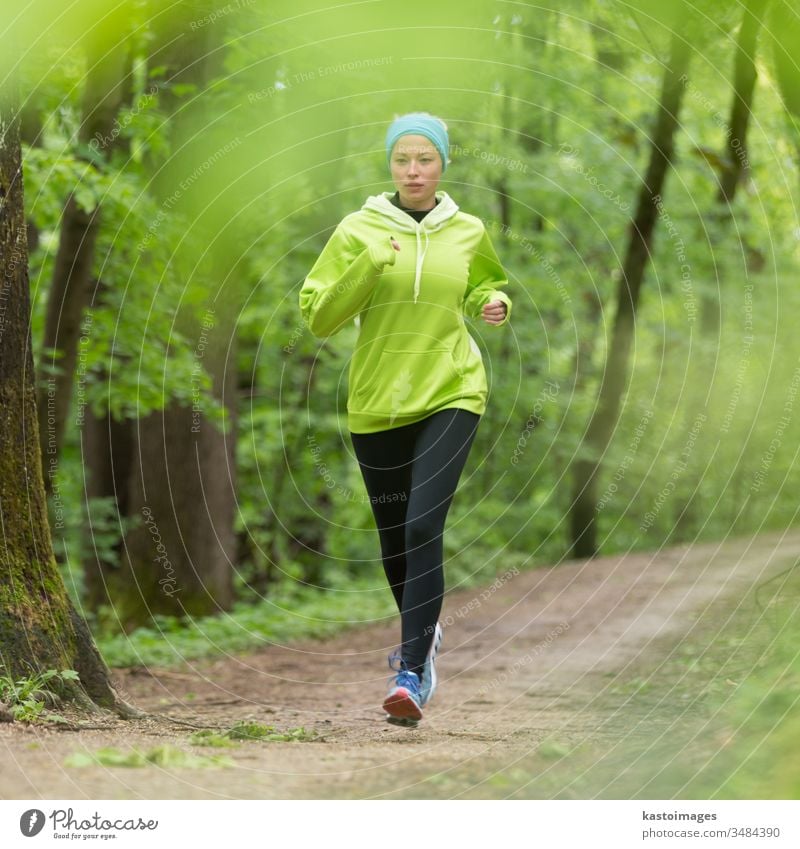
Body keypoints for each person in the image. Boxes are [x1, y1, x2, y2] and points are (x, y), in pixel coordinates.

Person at [299, 111, 513, 726]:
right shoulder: (357, 228)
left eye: (424, 158)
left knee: (422, 527)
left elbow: (482, 284)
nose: (413, 170)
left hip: (452, 389)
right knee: (394, 541)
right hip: (377, 401)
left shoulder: (467, 229)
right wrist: (369, 266)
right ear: (389, 164)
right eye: (402, 159)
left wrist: (492, 301)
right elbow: (319, 316)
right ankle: (427, 634)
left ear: (443, 162)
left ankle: (411, 672)